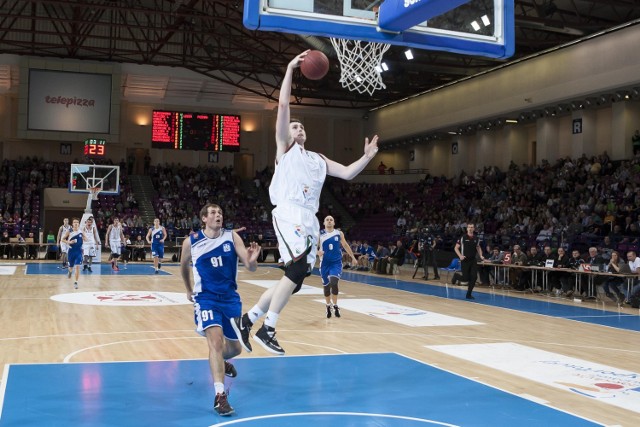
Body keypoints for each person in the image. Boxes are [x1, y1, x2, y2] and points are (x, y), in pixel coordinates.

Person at [231, 50, 379, 356]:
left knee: (295, 280)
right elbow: (283, 104)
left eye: (301, 127)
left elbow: (349, 173)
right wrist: (289, 68)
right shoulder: (285, 151)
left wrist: (366, 157)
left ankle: (248, 320)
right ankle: (267, 329)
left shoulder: (318, 159)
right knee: (297, 271)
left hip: (309, 218)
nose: (297, 129)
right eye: (294, 127)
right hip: (289, 211)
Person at [179, 203, 261, 417]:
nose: (218, 216)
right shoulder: (191, 242)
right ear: (203, 218)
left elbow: (249, 265)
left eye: (221, 213)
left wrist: (252, 261)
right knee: (215, 342)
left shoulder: (232, 237)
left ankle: (222, 362)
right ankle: (219, 395)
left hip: (230, 299)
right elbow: (183, 266)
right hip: (206, 298)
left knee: (235, 349)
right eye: (213, 213)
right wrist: (189, 289)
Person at [317, 215, 357, 318]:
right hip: (324, 264)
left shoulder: (339, 233)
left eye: (331, 220)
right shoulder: (319, 234)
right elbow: (312, 247)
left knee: (333, 282)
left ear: (334, 223)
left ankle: (335, 305)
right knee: (326, 287)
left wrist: (353, 257)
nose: (329, 221)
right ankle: (327, 306)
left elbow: (345, 245)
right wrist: (317, 252)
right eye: (327, 220)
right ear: (324, 223)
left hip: (336, 263)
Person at [454, 223, 485, 300]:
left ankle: (469, 294)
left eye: (472, 227)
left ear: (474, 229)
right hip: (465, 260)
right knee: (465, 278)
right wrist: (460, 256)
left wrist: (481, 255)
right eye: (469, 227)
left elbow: (478, 247)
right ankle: (455, 276)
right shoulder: (462, 238)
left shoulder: (476, 238)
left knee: (474, 277)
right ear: (467, 228)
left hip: (473, 260)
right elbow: (456, 248)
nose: (470, 228)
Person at [62, 218, 85, 289]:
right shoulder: (69, 231)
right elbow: (62, 239)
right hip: (71, 251)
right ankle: (69, 272)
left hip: (78, 252)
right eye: (74, 222)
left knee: (77, 267)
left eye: (77, 222)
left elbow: (85, 239)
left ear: (78, 224)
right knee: (71, 267)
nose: (76, 223)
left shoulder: (81, 231)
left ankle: (76, 282)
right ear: (72, 224)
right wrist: (68, 242)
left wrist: (87, 241)